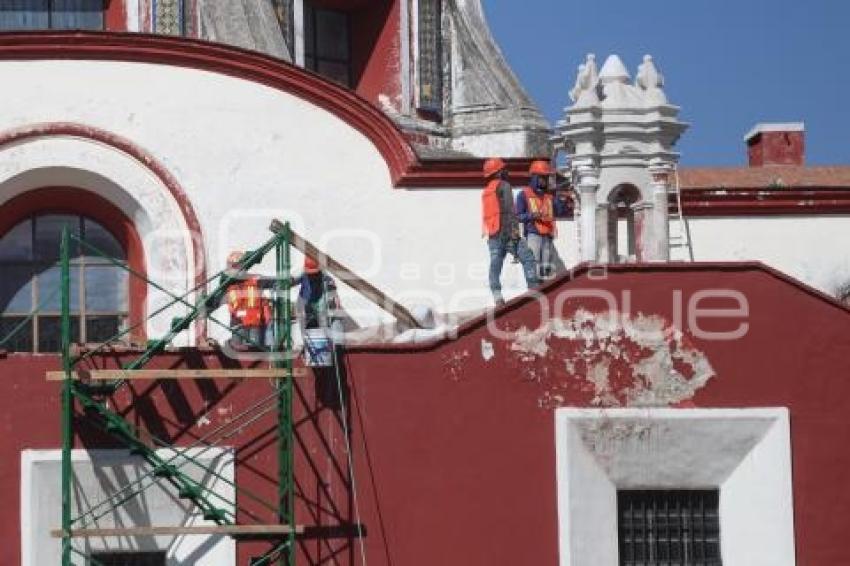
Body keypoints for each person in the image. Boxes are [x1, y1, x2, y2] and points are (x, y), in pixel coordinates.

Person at [481, 157, 540, 306]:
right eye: (503, 169)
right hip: (507, 233)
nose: (506, 171)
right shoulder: (504, 185)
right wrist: (514, 233)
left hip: (493, 235)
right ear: (498, 172)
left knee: (495, 265)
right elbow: (509, 210)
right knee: (528, 257)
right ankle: (534, 290)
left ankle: (497, 297)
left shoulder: (487, 190)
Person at [516, 160, 557, 280]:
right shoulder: (523, 194)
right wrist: (532, 216)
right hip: (533, 234)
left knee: (547, 269)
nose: (545, 180)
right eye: (542, 177)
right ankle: (535, 293)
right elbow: (518, 216)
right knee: (534, 265)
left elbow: (557, 212)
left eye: (546, 177)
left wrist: (561, 200)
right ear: (535, 178)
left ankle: (546, 293)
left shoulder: (550, 196)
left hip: (548, 236)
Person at [224, 250, 274, 349]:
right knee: (238, 350)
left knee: (254, 349)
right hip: (237, 324)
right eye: (232, 266)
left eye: (236, 266)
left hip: (254, 324)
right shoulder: (226, 284)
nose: (235, 269)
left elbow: (272, 282)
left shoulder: (255, 280)